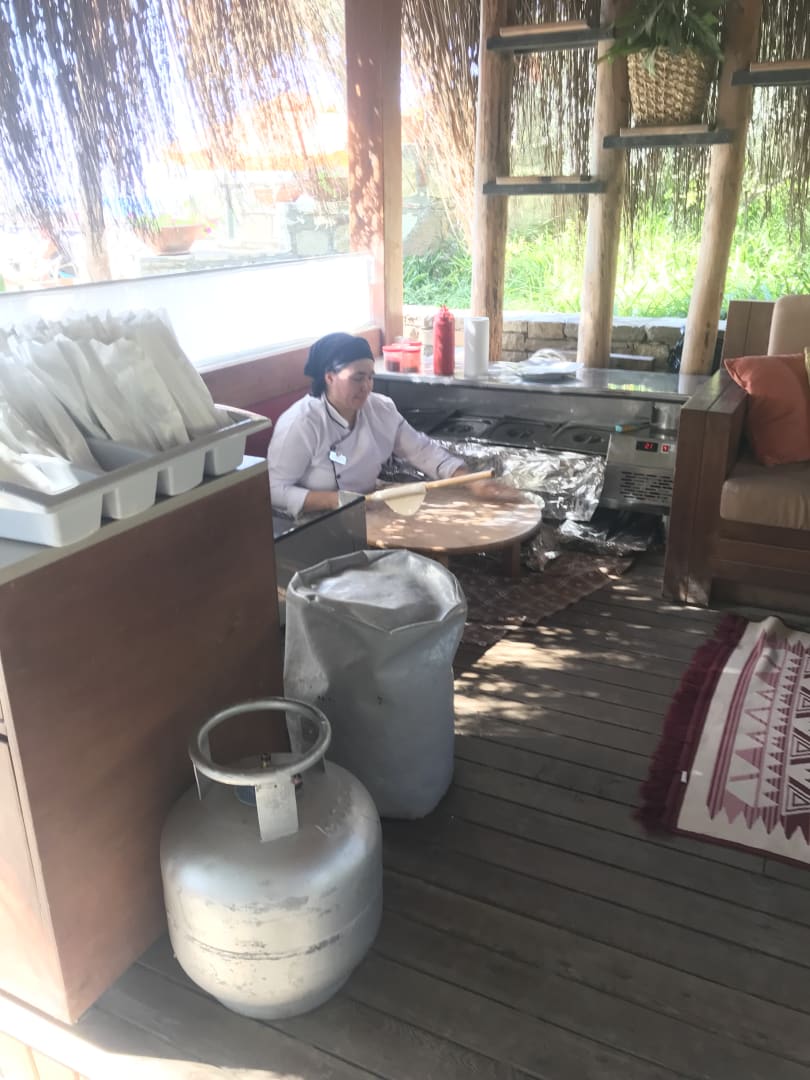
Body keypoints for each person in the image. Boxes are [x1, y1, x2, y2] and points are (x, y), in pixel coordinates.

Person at [268, 332, 515, 516]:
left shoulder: (380, 409)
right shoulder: (301, 423)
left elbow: (423, 451)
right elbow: (273, 489)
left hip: (366, 508)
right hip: (314, 521)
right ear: (329, 377)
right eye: (357, 378)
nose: (366, 387)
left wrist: (473, 482)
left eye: (370, 377)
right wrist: (337, 500)